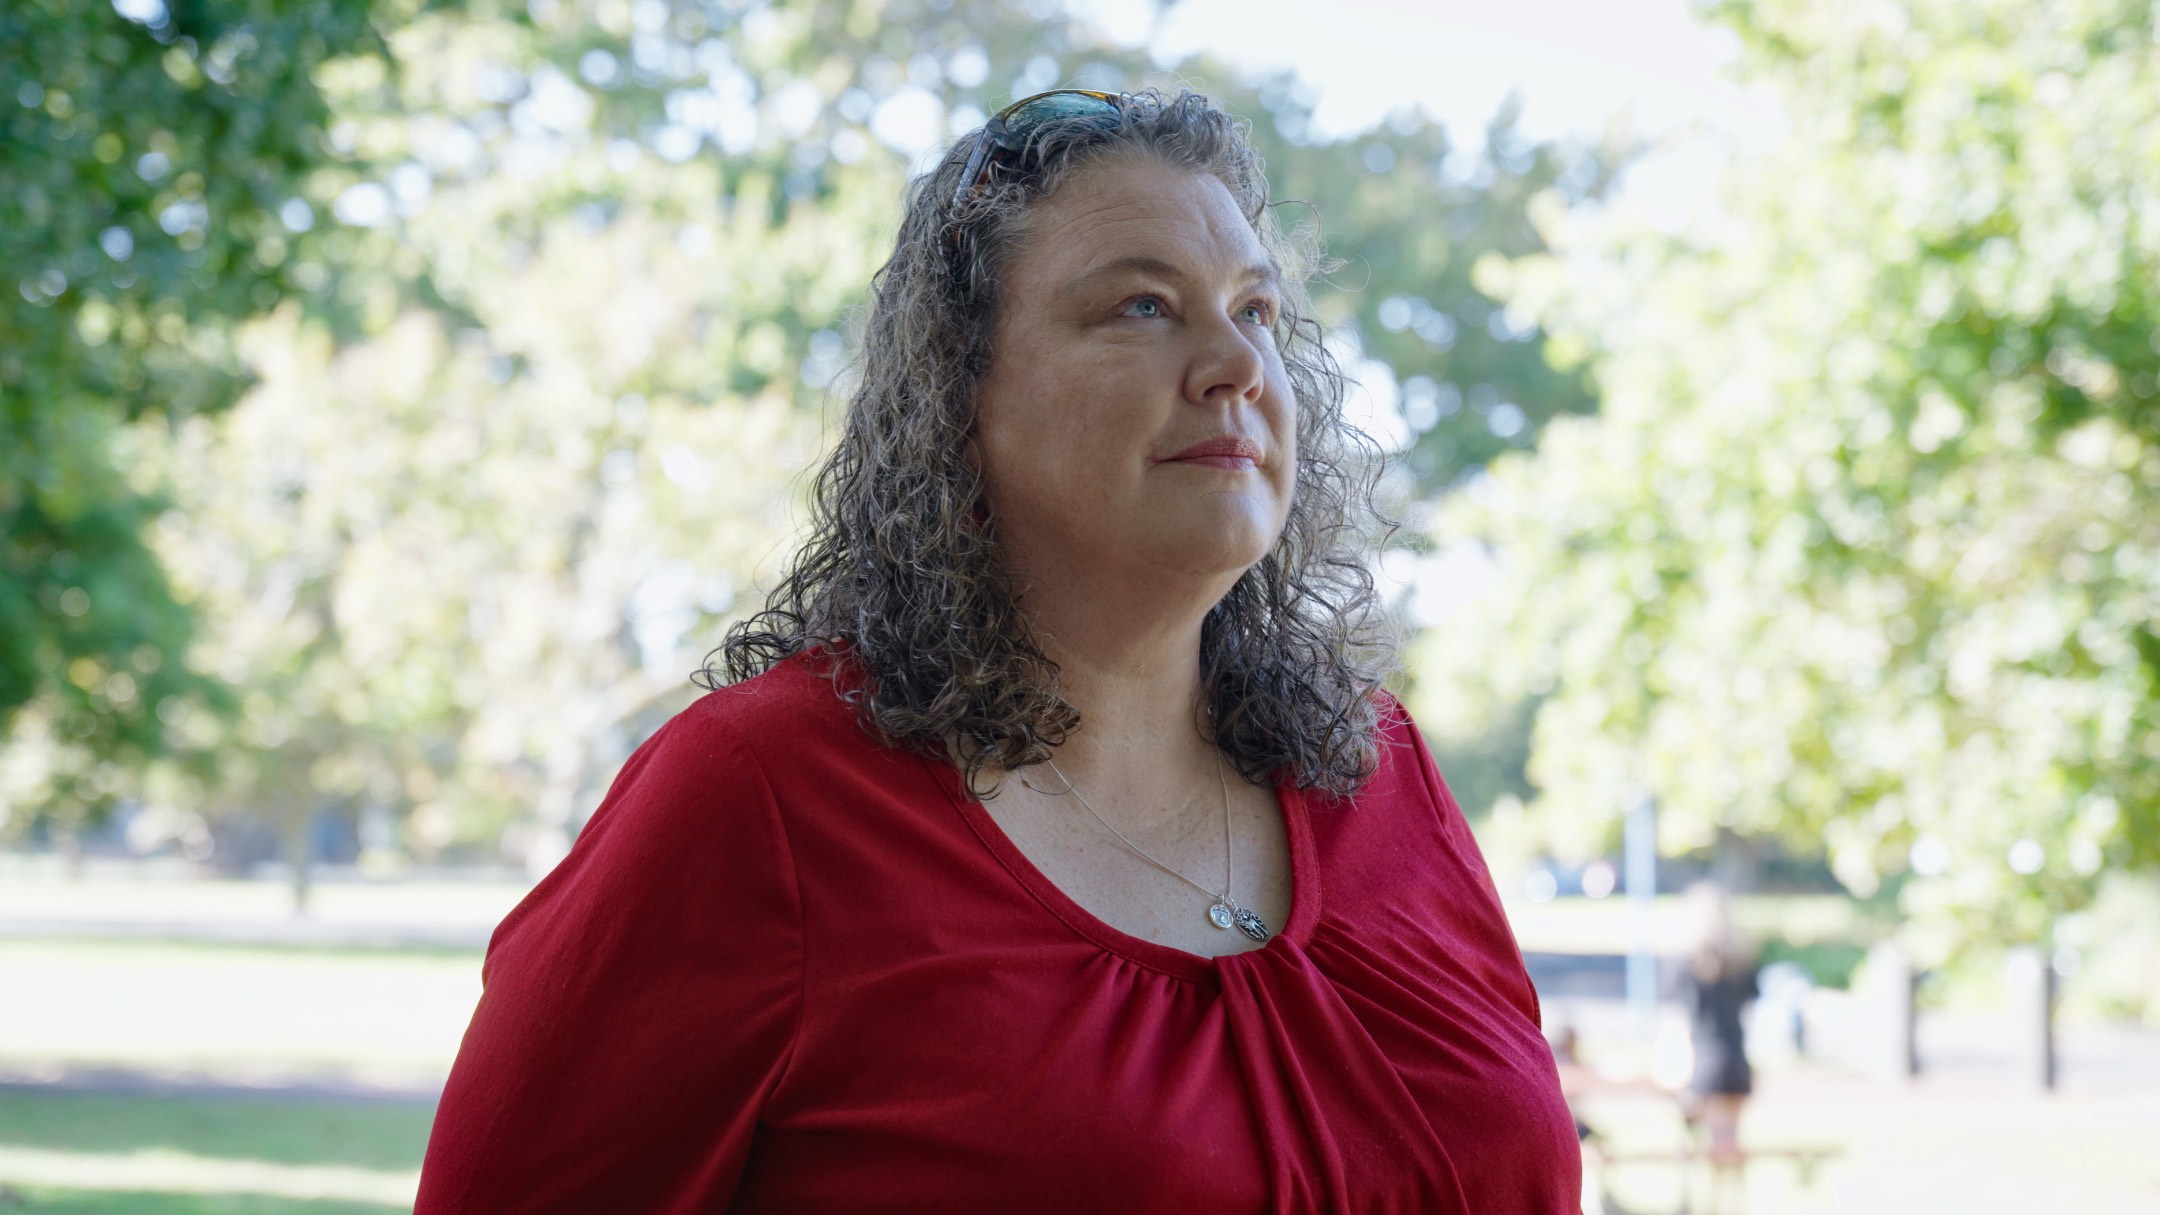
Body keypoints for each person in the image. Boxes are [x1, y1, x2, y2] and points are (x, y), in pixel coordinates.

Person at [415, 88, 1579, 1213]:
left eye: (1257, 311)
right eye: (1142, 306)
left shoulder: (1379, 769)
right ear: (959, 395)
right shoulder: (754, 800)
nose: (1236, 364)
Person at [1668, 879, 1760, 1212]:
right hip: (1736, 1061)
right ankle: (1730, 1204)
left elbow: (1680, 1020)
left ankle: (1712, 1205)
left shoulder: (1686, 964)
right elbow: (1750, 1013)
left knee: (1706, 1143)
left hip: (1703, 1063)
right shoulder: (1741, 963)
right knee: (1729, 1140)